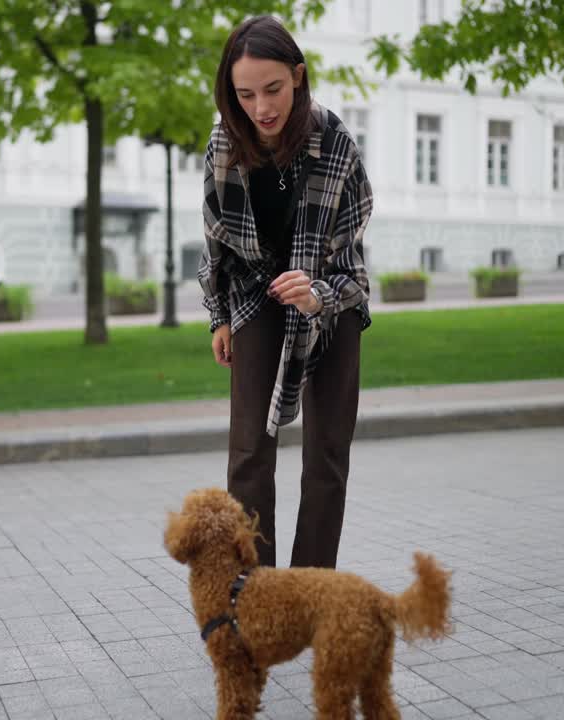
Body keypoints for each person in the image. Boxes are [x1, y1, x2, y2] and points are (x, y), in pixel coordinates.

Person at [198, 14, 373, 570]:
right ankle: (256, 592)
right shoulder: (225, 142)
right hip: (254, 296)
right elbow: (216, 242)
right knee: (248, 454)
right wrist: (219, 316)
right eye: (245, 94)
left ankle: (310, 589)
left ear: (298, 76)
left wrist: (316, 292)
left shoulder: (335, 141)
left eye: (272, 89)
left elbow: (352, 265)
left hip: (332, 307)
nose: (261, 107)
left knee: (326, 456)